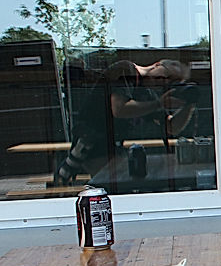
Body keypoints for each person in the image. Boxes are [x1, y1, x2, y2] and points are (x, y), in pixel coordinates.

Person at [53, 58, 197, 185]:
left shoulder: (147, 94)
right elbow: (119, 109)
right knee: (112, 187)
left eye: (173, 82)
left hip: (113, 146)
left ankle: (66, 171)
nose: (165, 82)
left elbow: (171, 127)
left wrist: (189, 103)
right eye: (167, 76)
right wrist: (160, 103)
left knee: (123, 185)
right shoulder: (126, 69)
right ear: (157, 65)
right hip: (91, 141)